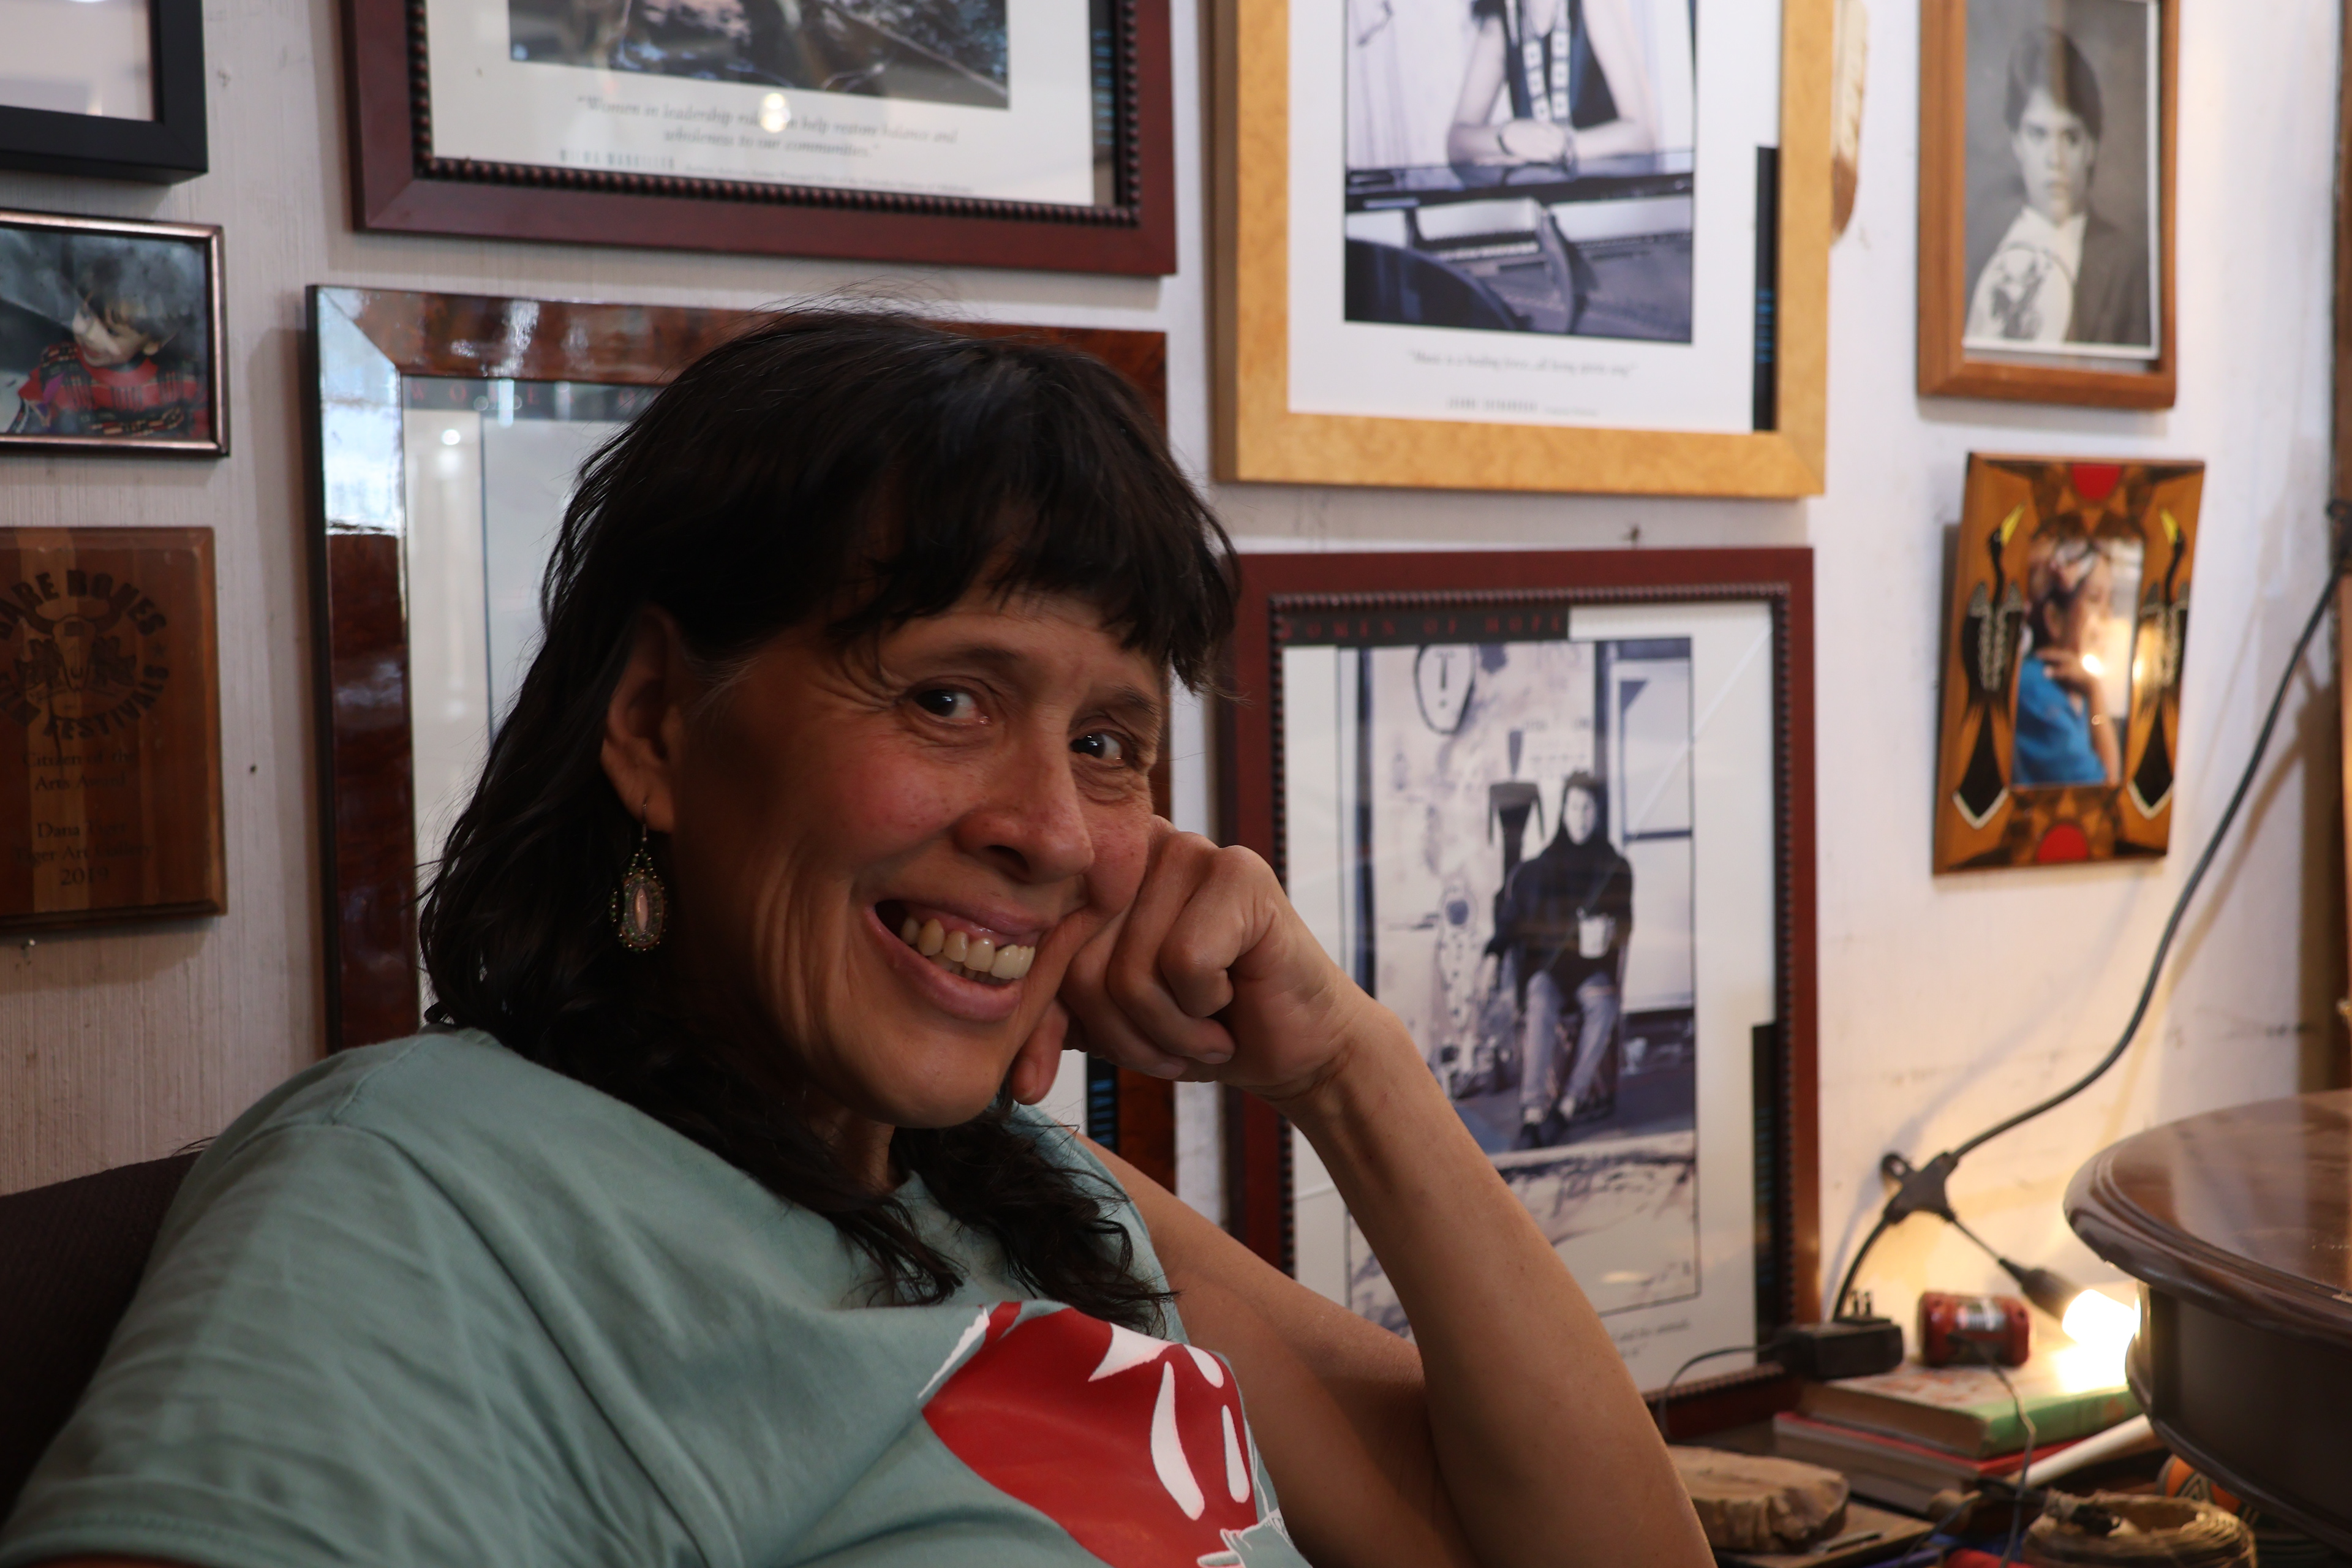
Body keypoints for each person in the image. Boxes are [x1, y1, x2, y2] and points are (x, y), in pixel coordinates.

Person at [0, 314, 1711, 1568]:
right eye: (948, 696)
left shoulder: (1030, 1191)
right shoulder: (422, 1181)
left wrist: (1347, 1062)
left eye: (1106, 740)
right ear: (656, 723)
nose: (1054, 828)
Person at [1963, 26, 2151, 350]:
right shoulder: (1976, 233)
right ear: (2017, 142)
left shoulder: (2128, 266)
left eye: (2071, 138)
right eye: (2038, 135)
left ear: (2092, 147)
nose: (2055, 160)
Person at [1485, 771, 1633, 1150]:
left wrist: (1609, 929)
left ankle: (1567, 1105)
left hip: (1590, 971)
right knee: (1538, 997)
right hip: (1548, 972)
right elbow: (1511, 919)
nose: (1581, 817)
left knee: (1605, 1004)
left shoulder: (1615, 867)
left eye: (1588, 808)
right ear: (1563, 811)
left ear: (1598, 813)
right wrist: (1494, 954)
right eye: (1574, 807)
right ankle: (1533, 1111)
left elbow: (1625, 923)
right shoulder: (1539, 868)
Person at [7, 240, 206, 440]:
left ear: (154, 343)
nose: (88, 334)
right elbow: (31, 409)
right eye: (86, 315)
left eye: (111, 332)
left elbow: (202, 431)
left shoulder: (185, 381)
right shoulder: (58, 364)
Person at [1446, 0, 1658, 168]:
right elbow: (1457, 142)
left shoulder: (1596, 4)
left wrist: (1556, 147)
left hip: (1606, 197)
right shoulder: (1502, 16)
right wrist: (1507, 138)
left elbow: (1643, 133)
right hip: (1543, 198)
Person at [2012, 535, 2122, 790]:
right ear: (2054, 618)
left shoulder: (2073, 686)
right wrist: (2095, 693)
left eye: (2110, 602)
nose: (2107, 616)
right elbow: (2104, 791)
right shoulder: (2035, 689)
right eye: (2094, 599)